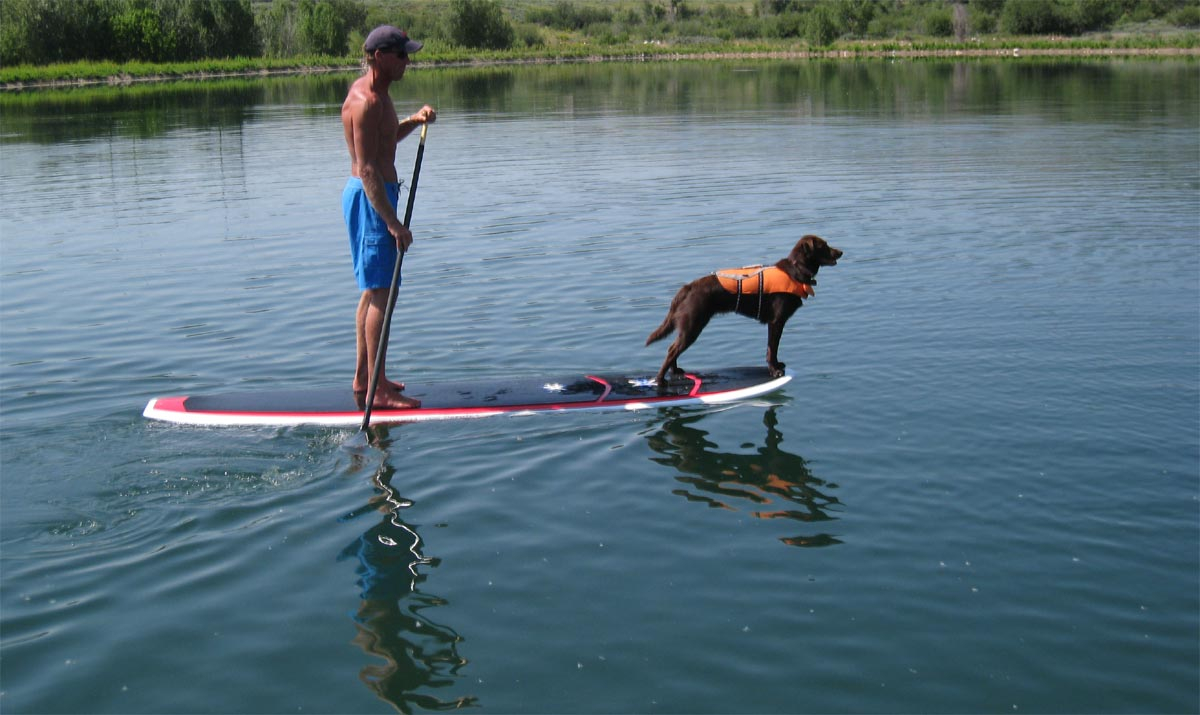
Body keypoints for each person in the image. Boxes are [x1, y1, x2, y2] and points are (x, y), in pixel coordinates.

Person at [341, 25, 436, 409]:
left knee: (373, 289)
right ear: (380, 57)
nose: (407, 62)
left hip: (375, 196)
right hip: (371, 198)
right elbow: (367, 169)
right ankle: (377, 391)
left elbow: (384, 142)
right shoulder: (366, 102)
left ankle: (366, 378)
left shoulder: (379, 96)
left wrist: (413, 122)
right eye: (402, 55)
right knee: (383, 291)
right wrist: (393, 223)